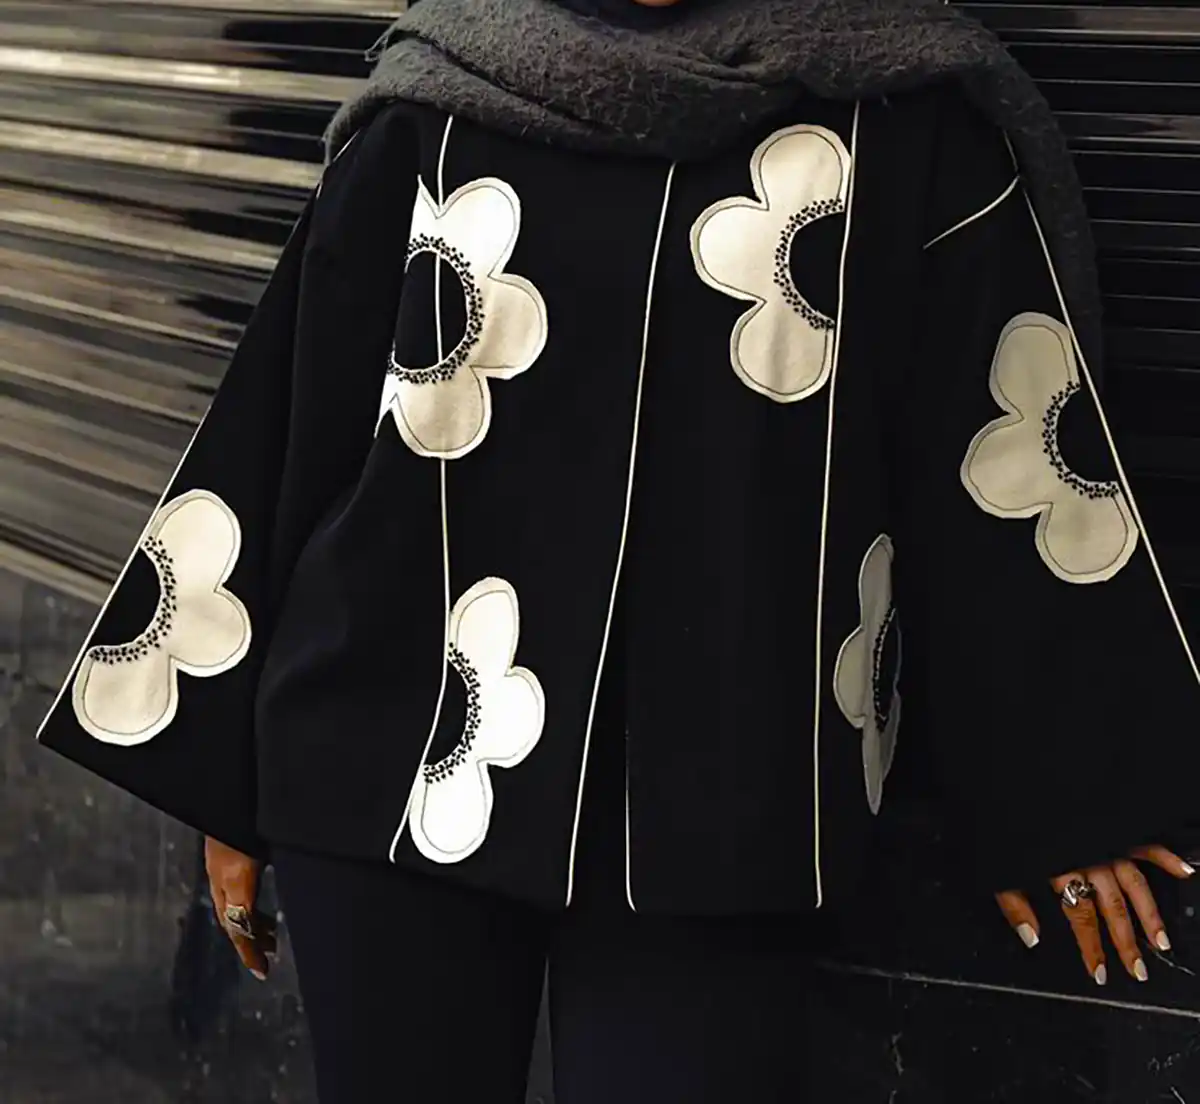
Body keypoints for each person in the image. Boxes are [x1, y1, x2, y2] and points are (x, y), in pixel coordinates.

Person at [37, 0, 1200, 1099]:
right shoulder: (440, 96)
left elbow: (998, 446)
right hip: (390, 759)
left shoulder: (904, 120)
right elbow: (292, 420)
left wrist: (1069, 785)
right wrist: (224, 777)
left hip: (729, 811)